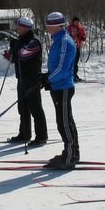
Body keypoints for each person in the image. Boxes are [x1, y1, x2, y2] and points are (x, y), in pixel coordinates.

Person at [41, 12, 80, 168]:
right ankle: (70, 152)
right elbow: (56, 66)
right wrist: (47, 77)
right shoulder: (57, 40)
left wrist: (48, 78)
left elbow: (63, 68)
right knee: (64, 121)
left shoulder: (64, 41)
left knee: (64, 123)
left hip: (63, 86)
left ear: (58, 25)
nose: (48, 28)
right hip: (58, 85)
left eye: (50, 26)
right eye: (47, 25)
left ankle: (70, 156)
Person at [4, 17, 48, 146]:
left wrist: (15, 49)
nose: (17, 28)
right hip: (22, 79)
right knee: (22, 108)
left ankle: (41, 136)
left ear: (25, 27)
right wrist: (11, 54)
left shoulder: (34, 41)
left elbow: (24, 54)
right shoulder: (21, 40)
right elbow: (16, 58)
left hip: (32, 79)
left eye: (19, 26)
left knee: (35, 108)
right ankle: (24, 134)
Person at [68, 17, 87, 82]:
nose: (77, 23)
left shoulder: (81, 28)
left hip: (78, 47)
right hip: (71, 47)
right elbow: (67, 35)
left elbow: (84, 37)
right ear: (73, 22)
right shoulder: (70, 27)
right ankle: (72, 76)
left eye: (78, 21)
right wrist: (71, 35)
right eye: (75, 21)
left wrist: (81, 37)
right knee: (72, 62)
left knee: (75, 62)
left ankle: (75, 76)